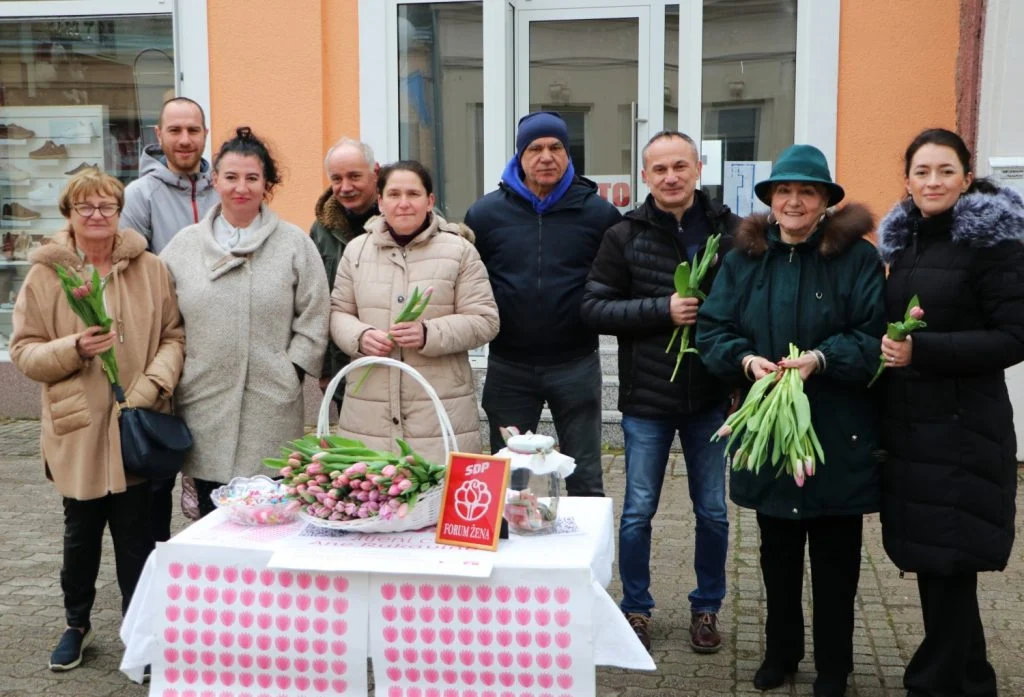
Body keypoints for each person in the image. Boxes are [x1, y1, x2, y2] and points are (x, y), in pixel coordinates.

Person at [697, 144, 885, 697]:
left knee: (836, 561)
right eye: (785, 191)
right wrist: (745, 360)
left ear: (825, 201)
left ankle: (834, 667)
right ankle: (781, 652)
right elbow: (713, 329)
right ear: (771, 199)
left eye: (807, 191)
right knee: (776, 556)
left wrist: (822, 359)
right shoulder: (743, 260)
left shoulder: (858, 259)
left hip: (836, 429)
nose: (795, 201)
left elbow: (872, 335)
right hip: (771, 431)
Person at [10, 169, 184, 671]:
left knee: (137, 538)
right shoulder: (46, 276)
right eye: (85, 207)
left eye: (107, 206)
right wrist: (74, 348)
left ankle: (139, 630)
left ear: (119, 212)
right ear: (68, 213)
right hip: (79, 424)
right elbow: (24, 351)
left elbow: (173, 336)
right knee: (80, 535)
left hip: (135, 425)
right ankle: (76, 624)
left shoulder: (149, 267)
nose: (96, 215)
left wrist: (149, 389)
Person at [876, 128, 1024, 697]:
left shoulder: (993, 245)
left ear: (966, 178)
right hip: (918, 428)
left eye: (945, 171)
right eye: (922, 172)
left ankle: (933, 683)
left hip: (964, 430)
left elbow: (1013, 336)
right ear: (907, 180)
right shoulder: (908, 244)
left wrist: (924, 351)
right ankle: (973, 678)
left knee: (949, 564)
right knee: (941, 562)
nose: (932, 182)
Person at [581, 130, 739, 653]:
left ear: (698, 168)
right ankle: (637, 609)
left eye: (680, 166)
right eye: (660, 169)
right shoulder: (624, 234)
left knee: (713, 510)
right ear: (645, 176)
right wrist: (662, 309)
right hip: (647, 398)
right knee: (638, 511)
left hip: (709, 396)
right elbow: (594, 308)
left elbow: (747, 308)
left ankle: (707, 606)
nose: (671, 177)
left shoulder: (731, 231)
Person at [160, 127, 329, 517]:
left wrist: (291, 369)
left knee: (272, 518)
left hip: (271, 402)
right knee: (211, 519)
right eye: (231, 177)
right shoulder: (184, 246)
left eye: (252, 178)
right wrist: (183, 368)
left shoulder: (293, 244)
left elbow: (315, 313)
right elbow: (164, 317)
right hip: (204, 400)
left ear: (267, 183)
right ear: (214, 180)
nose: (241, 187)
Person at [465, 111, 621, 496]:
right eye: (535, 148)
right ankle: (511, 536)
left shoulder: (598, 214)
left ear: (568, 154)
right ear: (520, 156)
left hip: (576, 363)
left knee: (584, 474)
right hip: (509, 366)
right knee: (509, 476)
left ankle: (586, 538)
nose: (546, 156)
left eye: (556, 147)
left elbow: (616, 279)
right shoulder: (485, 215)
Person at [330, 160, 499, 465]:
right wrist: (360, 336)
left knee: (438, 491)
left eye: (413, 194)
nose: (404, 203)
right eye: (394, 194)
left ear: (429, 201)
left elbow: (484, 320)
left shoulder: (459, 251)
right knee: (374, 492)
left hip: (438, 411)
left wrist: (428, 333)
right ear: (380, 202)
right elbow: (337, 313)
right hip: (369, 412)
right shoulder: (357, 251)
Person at [121, 96, 218, 541]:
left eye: (193, 130)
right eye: (175, 130)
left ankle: (213, 559)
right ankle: (154, 562)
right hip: (161, 346)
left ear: (205, 134)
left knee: (213, 467)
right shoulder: (139, 196)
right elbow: (131, 275)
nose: (184, 139)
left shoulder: (224, 187)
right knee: (157, 470)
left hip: (215, 347)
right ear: (158, 136)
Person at [311, 137, 379, 409]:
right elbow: (317, 302)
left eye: (354, 176)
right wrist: (325, 369)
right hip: (344, 366)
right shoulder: (321, 230)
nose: (345, 187)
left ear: (375, 172)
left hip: (396, 357)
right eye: (337, 179)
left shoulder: (404, 217)